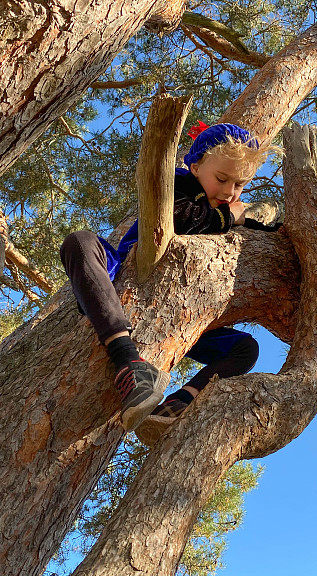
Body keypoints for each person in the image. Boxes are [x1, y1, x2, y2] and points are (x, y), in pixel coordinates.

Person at [60, 121, 282, 434]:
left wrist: (314, 199)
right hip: (125, 278)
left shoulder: (224, 204)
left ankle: (177, 405)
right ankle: (127, 360)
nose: (230, 191)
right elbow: (179, 219)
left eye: (240, 184)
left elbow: (273, 227)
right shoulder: (177, 184)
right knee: (80, 242)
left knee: (245, 349)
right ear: (195, 165)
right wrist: (230, 217)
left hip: (180, 307)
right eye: (222, 178)